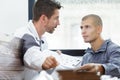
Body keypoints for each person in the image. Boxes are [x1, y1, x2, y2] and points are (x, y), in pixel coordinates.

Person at [14, 0, 62, 80]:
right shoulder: (23, 35)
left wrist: (53, 58)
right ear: (43, 18)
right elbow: (32, 54)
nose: (58, 23)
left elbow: (42, 70)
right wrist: (44, 61)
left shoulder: (42, 40)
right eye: (56, 18)